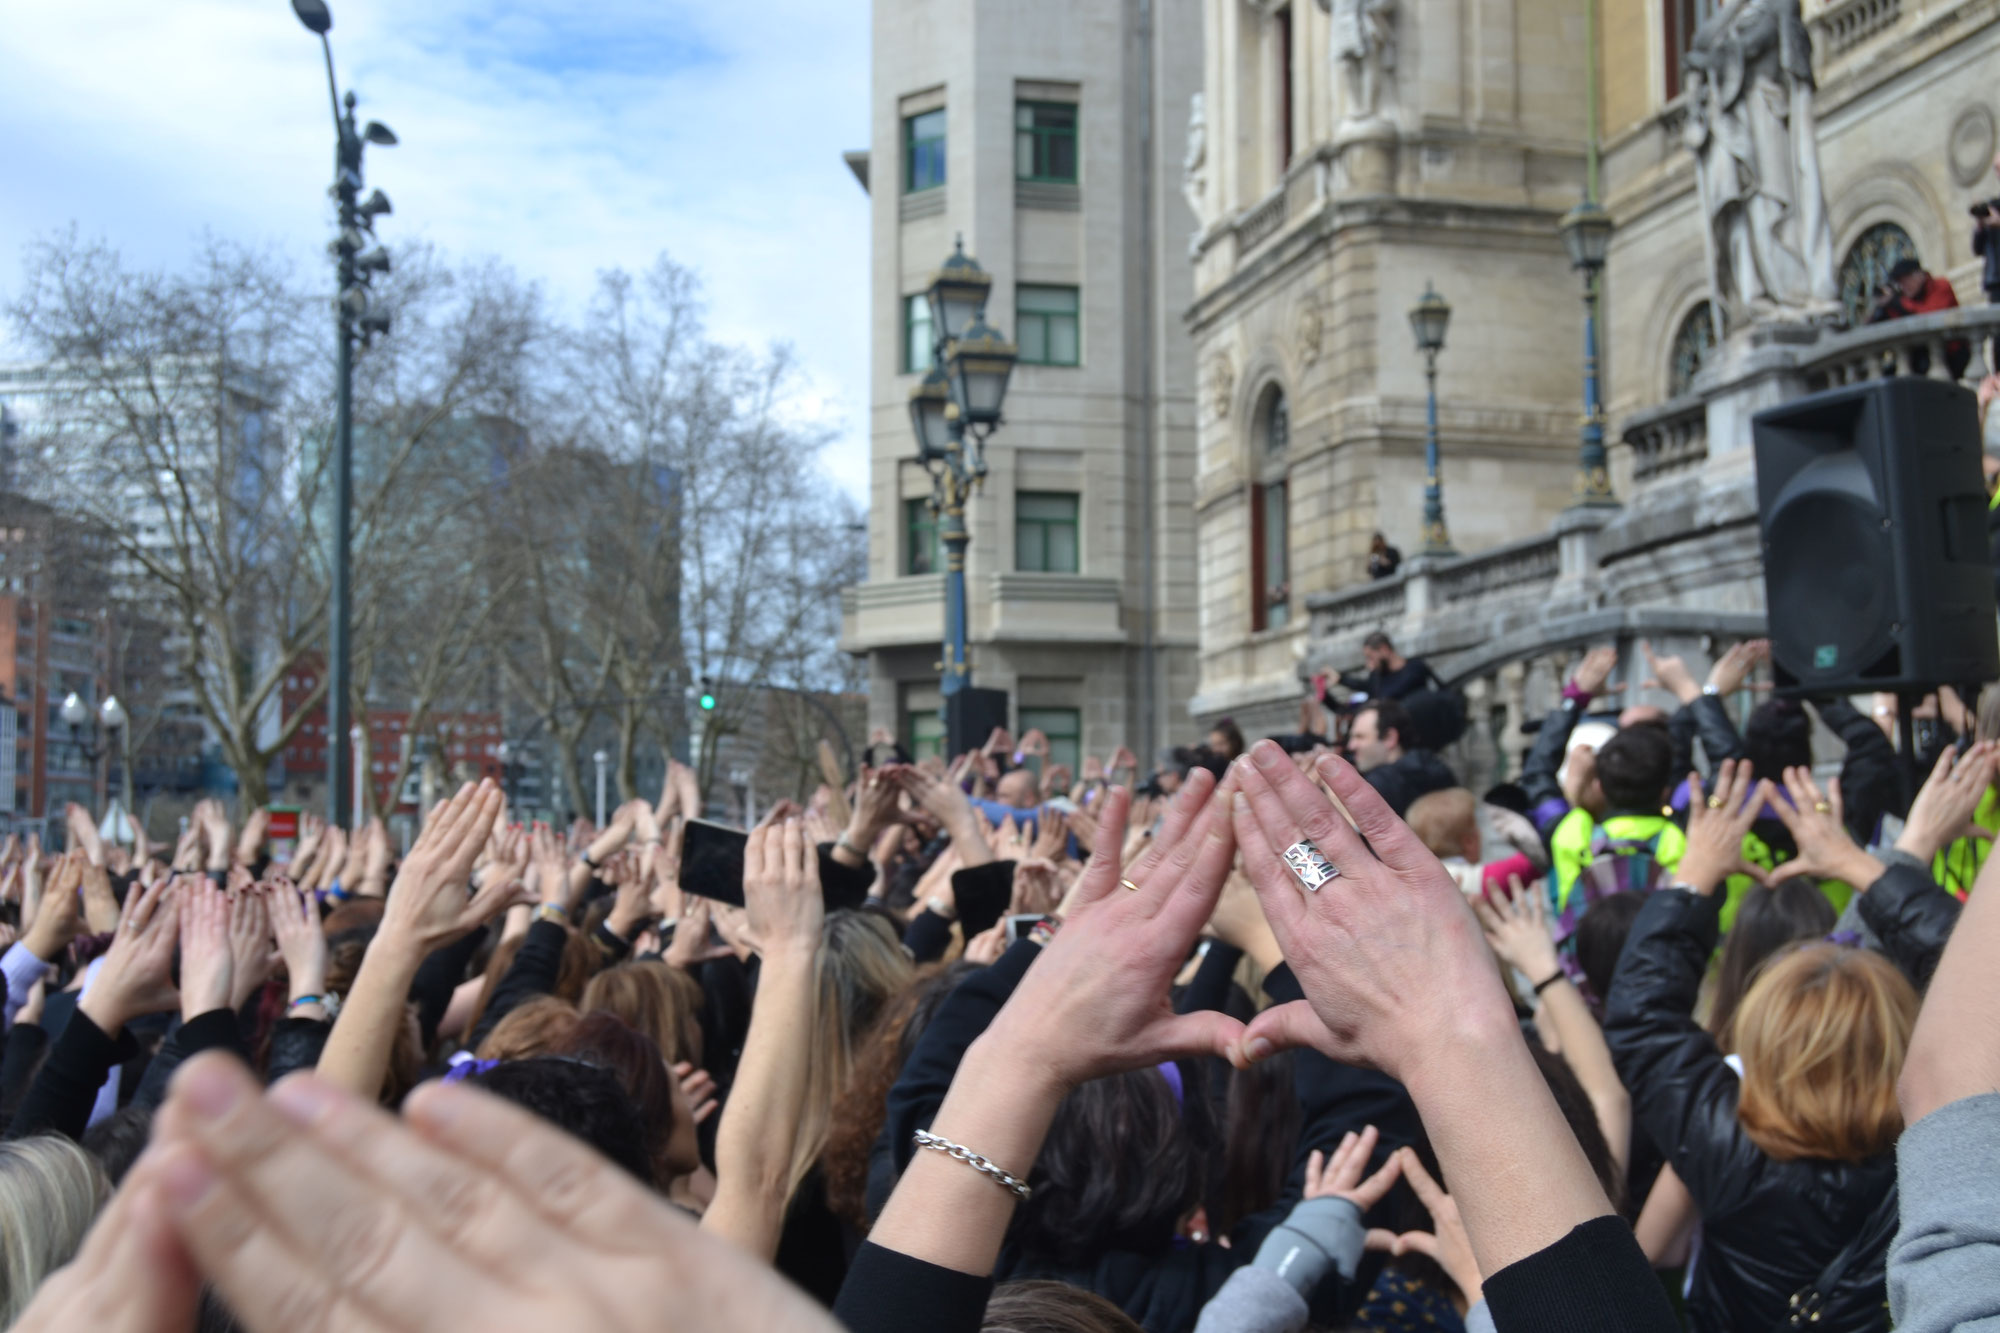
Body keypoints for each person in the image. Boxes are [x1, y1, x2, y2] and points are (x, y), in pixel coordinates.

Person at [1605, 761, 1914, 1332]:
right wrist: (1867, 867)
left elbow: (1640, 1013)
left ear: (1762, 1037)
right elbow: (1972, 979)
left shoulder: (1727, 1144)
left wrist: (1695, 872)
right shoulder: (1934, 1153)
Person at [1345, 700, 1455, 819]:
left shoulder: (1380, 786)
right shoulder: (1431, 765)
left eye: (1360, 737)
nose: (1351, 746)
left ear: (1389, 738)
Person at [1867, 256, 1969, 378]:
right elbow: (1872, 328)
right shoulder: (1903, 299)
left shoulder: (1941, 286)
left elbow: (1930, 315)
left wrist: (1896, 303)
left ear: (1919, 275)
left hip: (1952, 354)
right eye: (1900, 282)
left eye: (1906, 280)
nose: (1904, 286)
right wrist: (1881, 306)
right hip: (1920, 358)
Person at [1335, 632, 1434, 703]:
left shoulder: (1415, 667)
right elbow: (1364, 686)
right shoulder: (1379, 677)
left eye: (1371, 657)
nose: (1369, 663)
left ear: (1384, 649)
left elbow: (1393, 692)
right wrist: (1340, 678)